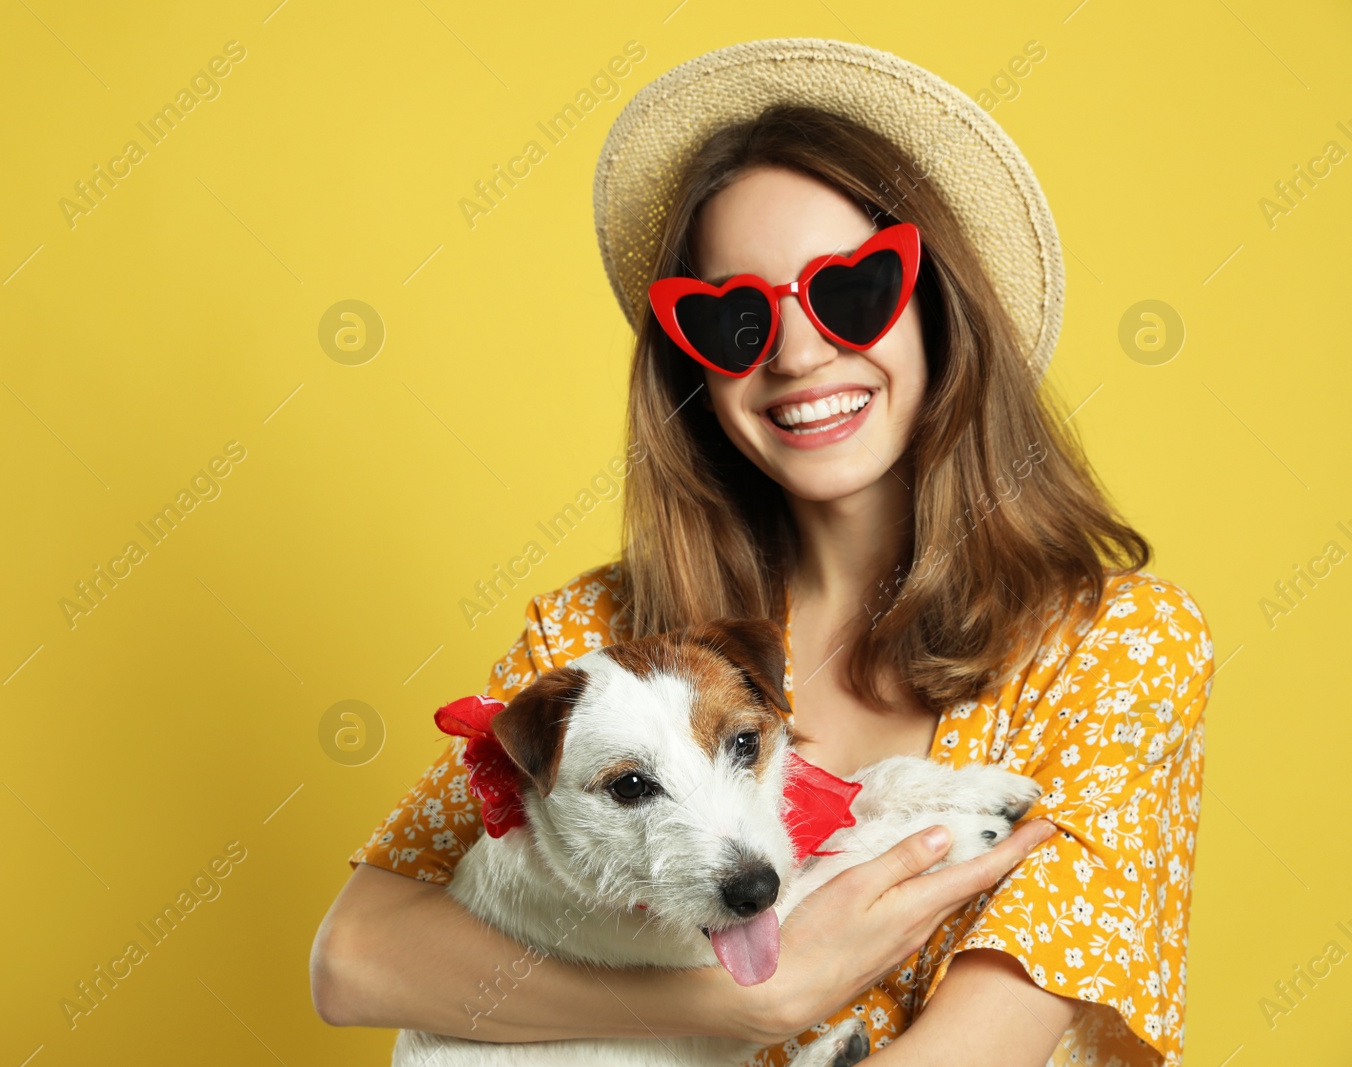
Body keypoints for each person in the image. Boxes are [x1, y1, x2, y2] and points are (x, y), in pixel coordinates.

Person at [311, 38, 1214, 1067]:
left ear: (938, 307)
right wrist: (743, 999)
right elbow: (354, 957)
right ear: (691, 360)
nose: (793, 351)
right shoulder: (591, 639)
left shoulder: (1116, 649)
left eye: (852, 292)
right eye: (736, 317)